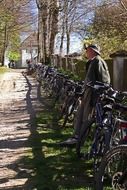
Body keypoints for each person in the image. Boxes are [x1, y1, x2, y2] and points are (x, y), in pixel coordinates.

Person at [59, 44, 111, 146]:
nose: (86, 52)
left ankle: (80, 141)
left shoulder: (98, 61)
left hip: (92, 94)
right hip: (87, 92)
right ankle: (76, 137)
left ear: (92, 50)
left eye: (87, 50)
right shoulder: (92, 61)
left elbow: (105, 81)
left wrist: (97, 94)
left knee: (86, 118)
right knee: (80, 115)